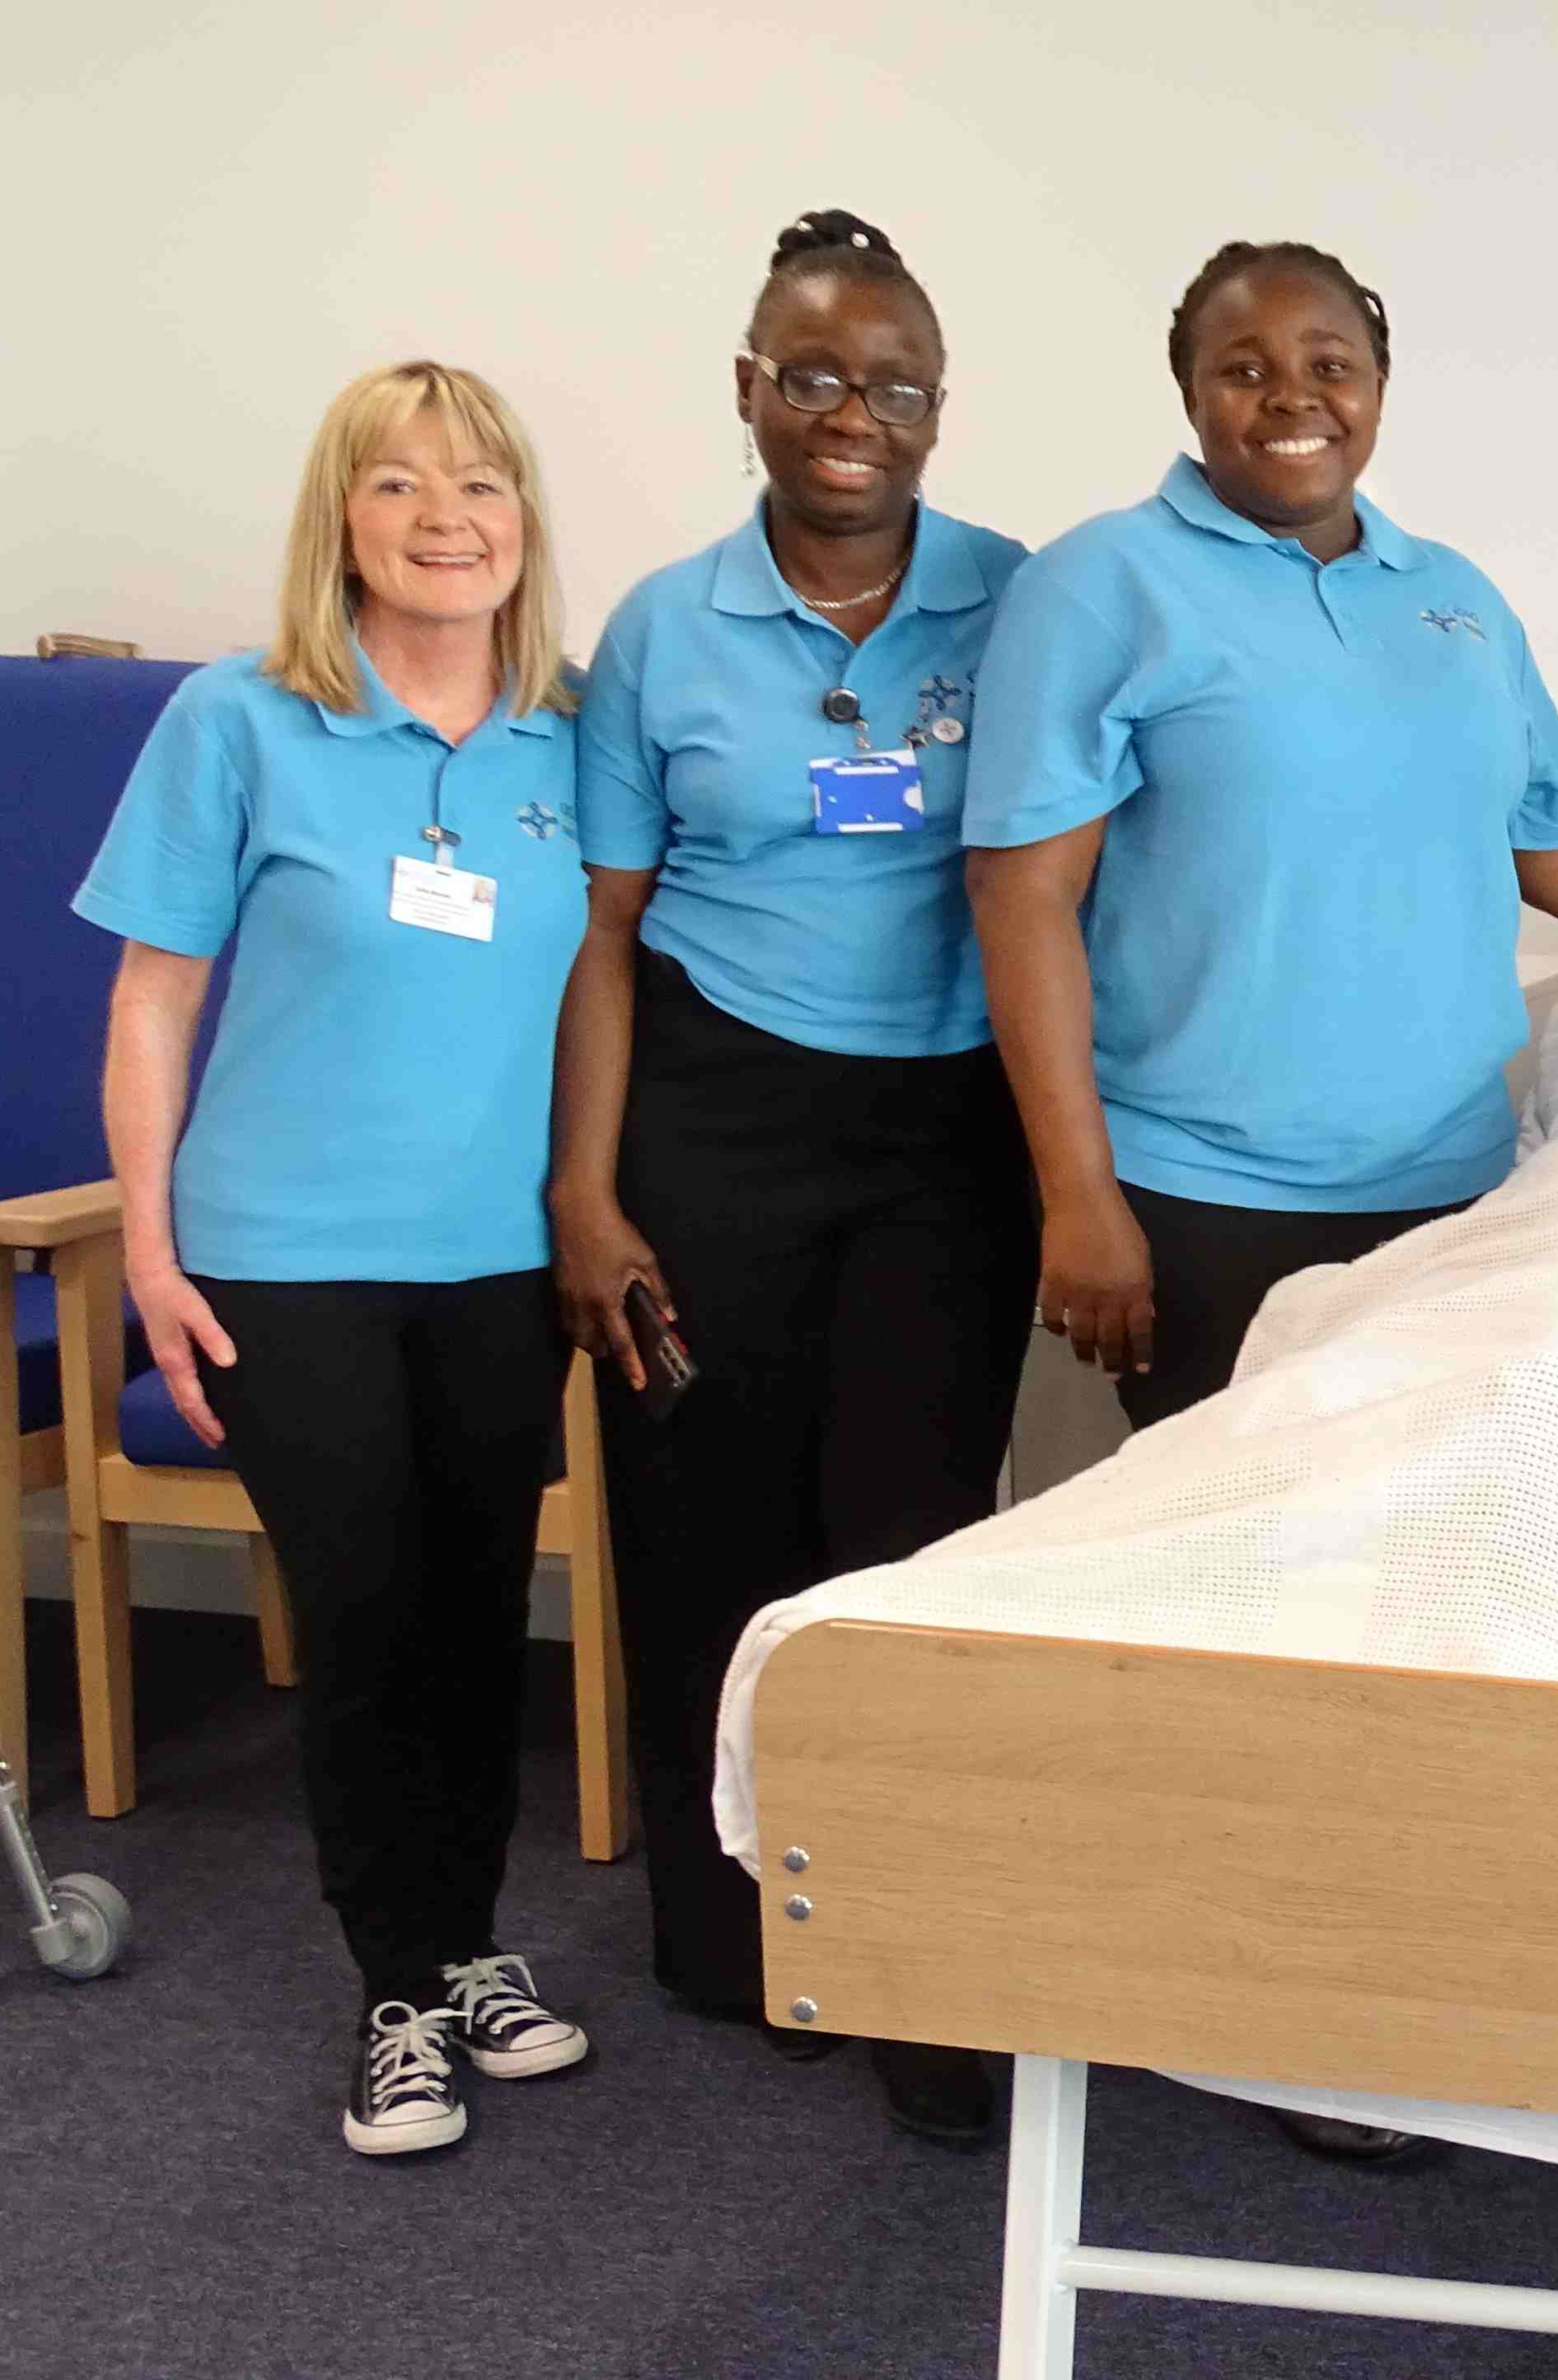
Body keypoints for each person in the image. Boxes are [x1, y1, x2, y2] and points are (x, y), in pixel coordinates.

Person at [960, 239, 1558, 2157]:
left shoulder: (1454, 603)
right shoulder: (1104, 586)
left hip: (1450, 1194)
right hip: (1201, 1192)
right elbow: (1021, 892)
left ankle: (1376, 1985)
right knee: (1264, 1591)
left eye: (1327, 358)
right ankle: (1276, 2003)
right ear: (1187, 393)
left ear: (1382, 383)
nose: (1290, 394)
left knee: (1417, 1587)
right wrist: (1078, 1196)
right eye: (1244, 364)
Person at [74, 362, 595, 2158]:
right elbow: (152, 1001)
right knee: (365, 1621)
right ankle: (397, 1987)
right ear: (341, 521)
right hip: (284, 1260)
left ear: (523, 522)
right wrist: (149, 1248)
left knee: (475, 1616)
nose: (446, 518)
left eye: (481, 484)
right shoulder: (239, 719)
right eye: (397, 484)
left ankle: (468, 1944)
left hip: (501, 1263)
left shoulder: (573, 736)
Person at [550, 210, 1031, 2144]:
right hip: (711, 1107)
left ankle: (905, 1953)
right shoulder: (663, 630)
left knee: (908, 1541)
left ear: (939, 408)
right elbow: (602, 931)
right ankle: (727, 1932)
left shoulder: (1020, 599)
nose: (854, 414)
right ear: (750, 389)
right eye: (815, 375)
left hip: (947, 1130)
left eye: (894, 384)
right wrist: (585, 1193)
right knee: (705, 1530)